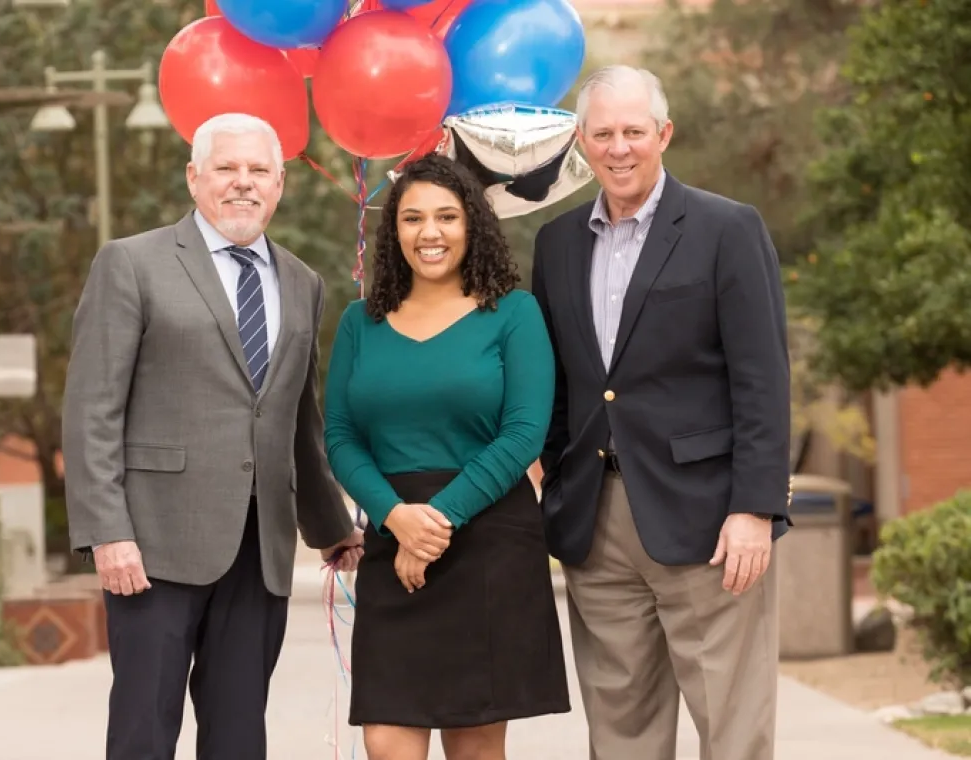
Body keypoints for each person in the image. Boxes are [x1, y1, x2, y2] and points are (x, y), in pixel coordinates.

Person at [61, 112, 364, 760]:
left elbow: (296, 418)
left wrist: (329, 525)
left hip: (260, 550)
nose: (243, 183)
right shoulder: (131, 264)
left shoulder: (302, 281)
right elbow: (92, 409)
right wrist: (106, 531)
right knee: (144, 731)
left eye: (259, 170)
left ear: (280, 184)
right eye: (226, 168)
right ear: (195, 178)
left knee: (238, 737)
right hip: (152, 546)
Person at [531, 65, 792, 760]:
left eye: (634, 132)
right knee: (620, 735)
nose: (619, 148)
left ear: (664, 134)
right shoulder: (556, 244)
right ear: (581, 142)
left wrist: (755, 509)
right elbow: (559, 383)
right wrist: (552, 481)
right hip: (597, 522)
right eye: (604, 133)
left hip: (710, 523)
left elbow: (763, 378)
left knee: (732, 732)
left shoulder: (726, 228)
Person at [324, 153, 570, 760]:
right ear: (395, 230)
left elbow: (522, 434)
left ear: (472, 225)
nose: (429, 232)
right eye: (411, 219)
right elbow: (340, 437)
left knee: (476, 747)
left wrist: (433, 522)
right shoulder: (361, 322)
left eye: (446, 217)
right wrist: (396, 518)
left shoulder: (514, 313)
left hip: (487, 545)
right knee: (386, 741)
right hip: (393, 538)